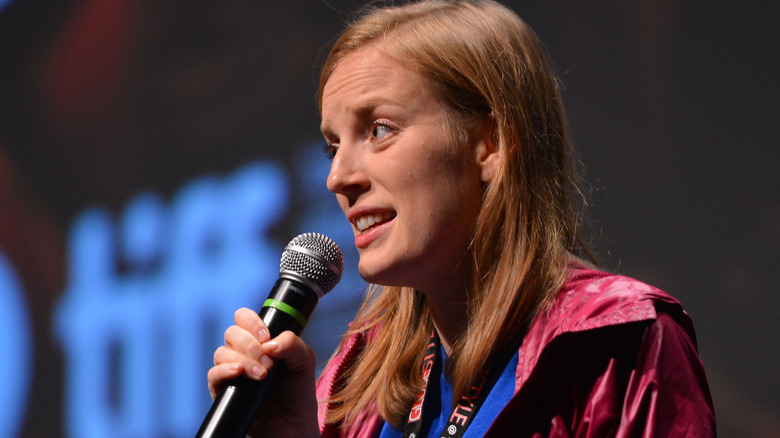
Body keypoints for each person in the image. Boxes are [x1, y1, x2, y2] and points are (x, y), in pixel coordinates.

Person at [207, 1, 716, 436]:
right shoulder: (350, 389)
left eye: (379, 129)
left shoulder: (614, 343)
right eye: (332, 147)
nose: (338, 178)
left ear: (489, 144)